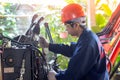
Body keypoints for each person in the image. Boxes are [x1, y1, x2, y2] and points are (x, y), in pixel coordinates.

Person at [39, 3, 109, 80]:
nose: (66, 29)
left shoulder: (87, 44)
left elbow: (71, 76)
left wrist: (56, 77)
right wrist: (48, 45)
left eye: (67, 26)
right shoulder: (87, 36)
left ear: (76, 25)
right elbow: (71, 49)